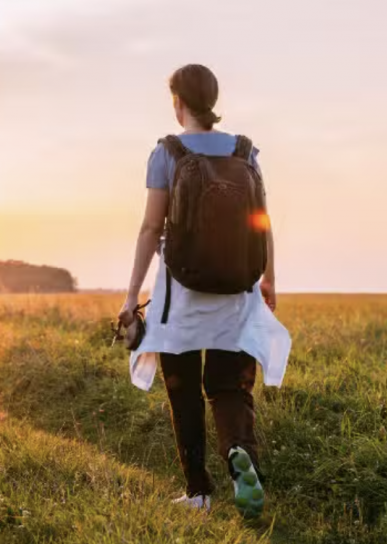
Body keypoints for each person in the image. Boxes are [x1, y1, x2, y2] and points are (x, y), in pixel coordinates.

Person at [118, 64, 278, 517]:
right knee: (229, 385)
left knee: (183, 387)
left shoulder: (167, 152)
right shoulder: (246, 152)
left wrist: (132, 297)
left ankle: (199, 492)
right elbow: (261, 223)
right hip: (237, 291)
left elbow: (152, 227)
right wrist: (269, 280)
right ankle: (237, 453)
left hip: (181, 295)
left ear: (179, 104)